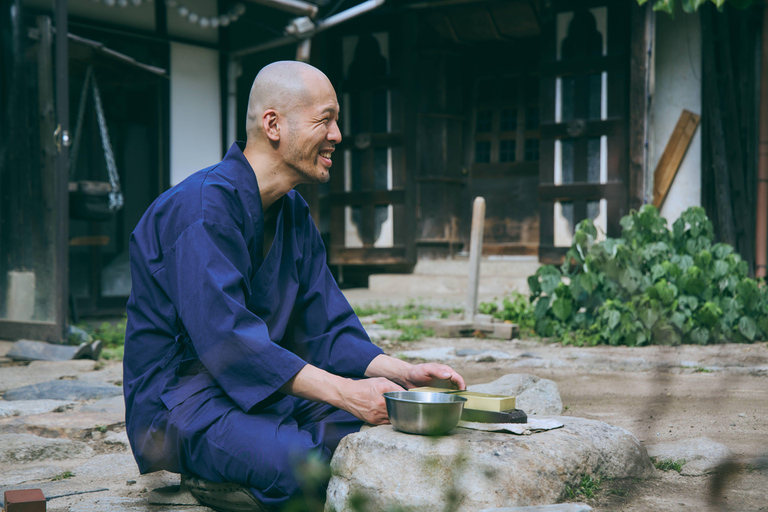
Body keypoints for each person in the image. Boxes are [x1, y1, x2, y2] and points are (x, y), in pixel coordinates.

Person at [123, 60, 465, 511]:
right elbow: (228, 340)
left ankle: (251, 461)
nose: (337, 134)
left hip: (259, 389)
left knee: (361, 434)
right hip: (183, 401)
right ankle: (214, 479)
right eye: (325, 119)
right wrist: (346, 392)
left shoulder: (293, 213)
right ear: (273, 124)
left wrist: (401, 374)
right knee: (300, 467)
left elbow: (325, 324)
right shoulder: (201, 209)